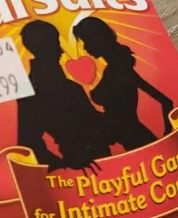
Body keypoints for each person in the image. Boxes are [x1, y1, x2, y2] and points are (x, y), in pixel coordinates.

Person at [17, 20, 110, 172]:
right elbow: (29, 142)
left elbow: (92, 120)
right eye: (55, 43)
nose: (61, 51)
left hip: (102, 160)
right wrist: (64, 165)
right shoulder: (32, 89)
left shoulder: (68, 86)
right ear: (44, 48)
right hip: (82, 170)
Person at [73, 16, 174, 151]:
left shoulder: (119, 70)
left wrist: (168, 134)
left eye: (87, 41)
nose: (86, 48)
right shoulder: (117, 68)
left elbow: (166, 102)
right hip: (133, 138)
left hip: (136, 140)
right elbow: (165, 101)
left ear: (99, 39)